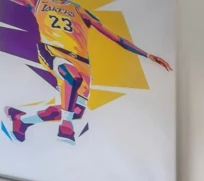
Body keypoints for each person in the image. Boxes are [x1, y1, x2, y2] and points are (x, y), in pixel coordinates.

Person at [3, 0, 172, 145]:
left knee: (76, 111)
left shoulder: (79, 10)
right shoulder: (39, 2)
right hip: (52, 50)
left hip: (81, 61)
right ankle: (66, 127)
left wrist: (147, 55)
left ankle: (22, 120)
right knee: (71, 77)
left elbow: (117, 38)